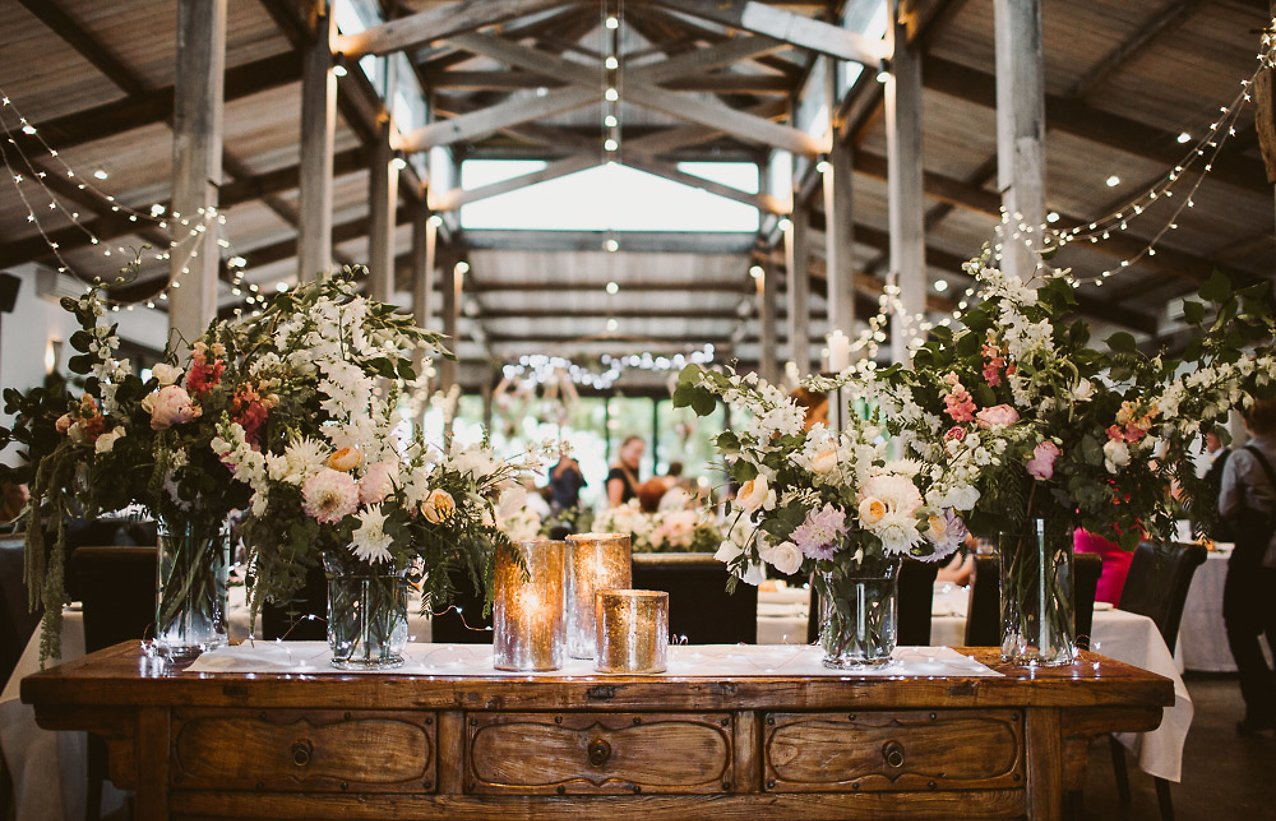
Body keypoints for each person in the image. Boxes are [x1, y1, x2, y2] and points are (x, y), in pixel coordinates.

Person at [1218, 398, 1276, 735]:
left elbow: (1227, 507)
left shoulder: (1242, 459)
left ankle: (1260, 705)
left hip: (1255, 552)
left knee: (1239, 626)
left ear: (1249, 424)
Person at [606, 436, 644, 508]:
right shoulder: (616, 473)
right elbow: (614, 505)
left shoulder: (630, 472)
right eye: (636, 451)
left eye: (641, 453)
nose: (639, 457)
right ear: (623, 449)